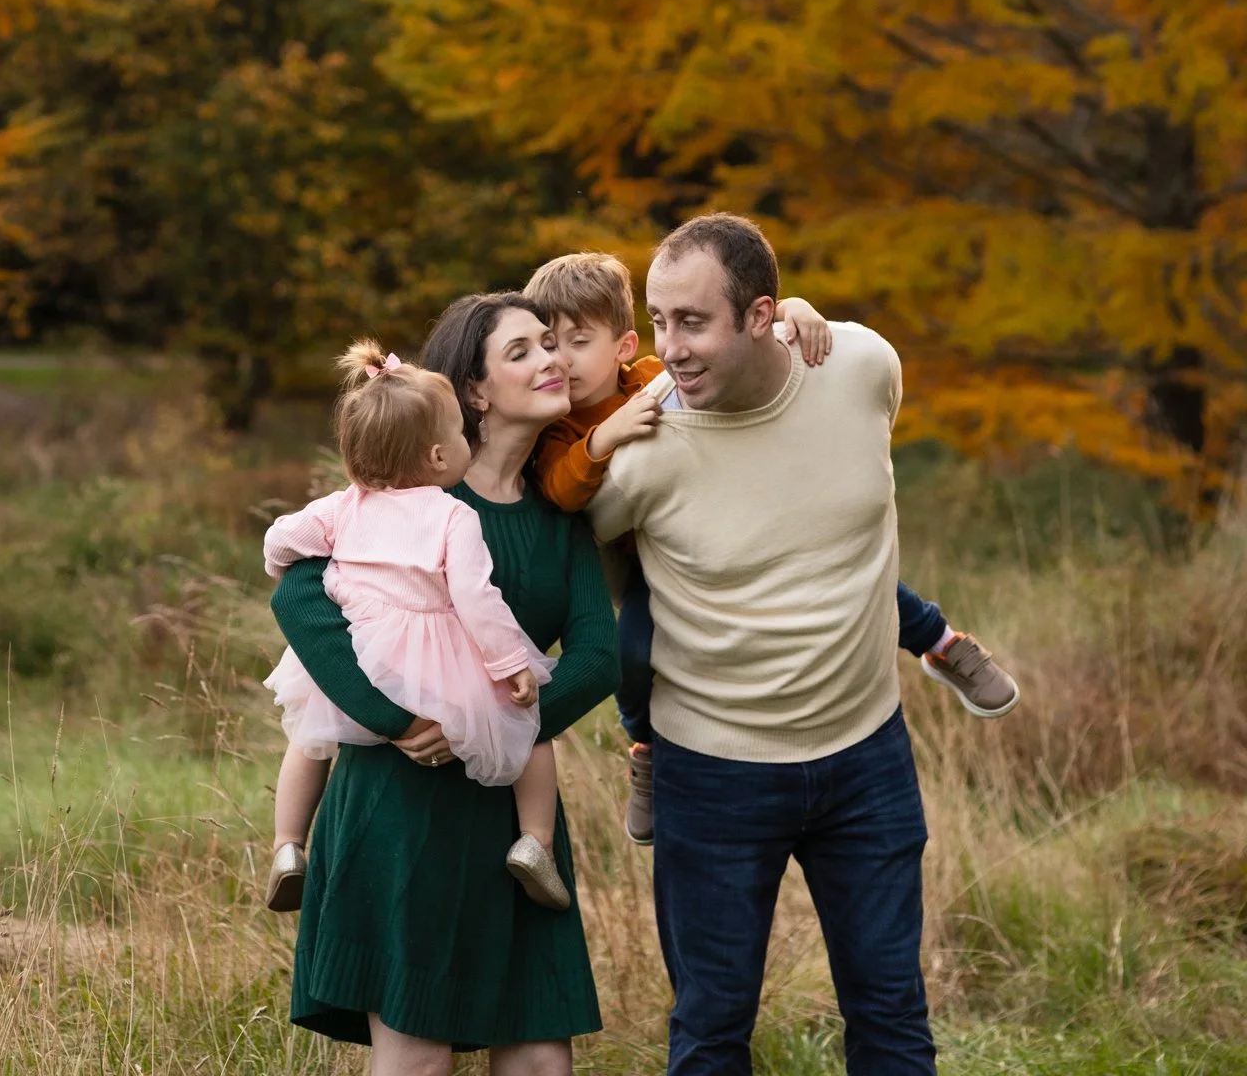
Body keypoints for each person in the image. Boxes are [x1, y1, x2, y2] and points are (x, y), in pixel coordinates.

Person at [589, 214, 941, 1076]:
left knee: (893, 1014)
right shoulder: (642, 454)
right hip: (710, 772)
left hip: (868, 759)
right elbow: (601, 570)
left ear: (762, 315)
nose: (670, 348)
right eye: (659, 320)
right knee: (711, 1031)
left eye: (694, 321)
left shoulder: (862, 369)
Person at [523, 250, 1018, 848]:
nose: (561, 360)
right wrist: (607, 436)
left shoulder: (659, 373)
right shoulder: (552, 423)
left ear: (625, 346)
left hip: (727, 522)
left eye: (579, 341)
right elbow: (560, 488)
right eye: (549, 344)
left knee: (846, 569)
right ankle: (646, 746)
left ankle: (943, 644)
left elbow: (736, 347)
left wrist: (795, 311)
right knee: (631, 651)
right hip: (650, 568)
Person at [268, 292, 618, 1076]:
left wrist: (499, 726)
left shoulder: (562, 515)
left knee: (538, 1061)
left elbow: (600, 650)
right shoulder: (409, 491)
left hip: (512, 821)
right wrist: (394, 719)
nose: (553, 360)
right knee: (416, 1060)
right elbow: (296, 592)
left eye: (554, 344)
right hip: (402, 803)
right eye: (522, 350)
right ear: (474, 392)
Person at [262, 340, 568, 919]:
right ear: (435, 456)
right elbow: (477, 599)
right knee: (530, 729)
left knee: (308, 737)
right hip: (434, 664)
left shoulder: (342, 508)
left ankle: (287, 846)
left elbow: (279, 539)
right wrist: (510, 665)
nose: (465, 441)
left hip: (364, 655)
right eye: (457, 432)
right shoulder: (454, 514)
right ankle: (535, 843)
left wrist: (283, 562)